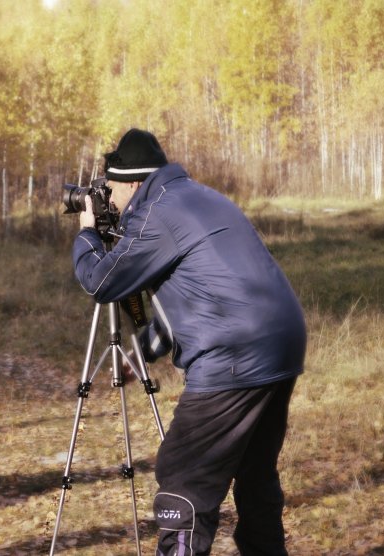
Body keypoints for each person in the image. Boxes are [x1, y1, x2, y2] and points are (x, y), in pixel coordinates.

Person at [72, 129, 306, 555]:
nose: (109, 199)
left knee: (184, 476)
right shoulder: (198, 197)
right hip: (281, 346)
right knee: (255, 476)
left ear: (131, 183)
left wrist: (87, 234)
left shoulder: (155, 213)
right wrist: (140, 352)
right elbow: (202, 294)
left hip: (235, 355)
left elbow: (101, 281)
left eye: (110, 189)